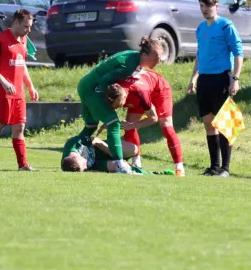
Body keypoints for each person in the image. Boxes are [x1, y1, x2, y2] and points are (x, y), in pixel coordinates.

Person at [74, 38, 163, 174]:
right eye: (156, 58)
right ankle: (119, 164)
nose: (158, 62)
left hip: (85, 85)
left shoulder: (134, 57)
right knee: (114, 123)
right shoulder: (129, 66)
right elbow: (104, 81)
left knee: (91, 126)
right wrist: (108, 102)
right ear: (145, 55)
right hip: (92, 90)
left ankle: (74, 153)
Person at [187, 0, 244, 177]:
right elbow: (200, 54)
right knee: (208, 124)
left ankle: (225, 169)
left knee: (224, 124)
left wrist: (235, 78)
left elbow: (238, 52)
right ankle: (214, 167)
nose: (204, 9)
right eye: (201, 6)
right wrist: (193, 78)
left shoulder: (226, 25)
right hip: (204, 80)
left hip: (221, 78)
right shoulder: (201, 27)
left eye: (208, 6)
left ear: (216, 6)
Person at [0, 9, 39, 171]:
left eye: (30, 26)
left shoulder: (24, 40)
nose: (29, 30)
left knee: (19, 127)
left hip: (18, 93)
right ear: (16, 23)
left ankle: (23, 165)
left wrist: (30, 86)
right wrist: (4, 82)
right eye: (26, 26)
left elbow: (22, 65)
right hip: (2, 93)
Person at [116, 69, 185, 176]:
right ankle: (136, 164)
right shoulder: (114, 89)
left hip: (159, 90)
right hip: (138, 90)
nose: (120, 107)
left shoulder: (140, 93)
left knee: (166, 126)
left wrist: (132, 125)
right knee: (128, 125)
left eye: (120, 104)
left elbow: (153, 118)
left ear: (124, 97)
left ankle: (179, 167)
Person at [61, 134, 140, 173]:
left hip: (101, 149)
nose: (86, 166)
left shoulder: (74, 144)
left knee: (133, 149)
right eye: (84, 169)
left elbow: (94, 139)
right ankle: (133, 167)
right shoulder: (70, 167)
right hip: (97, 164)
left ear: (75, 157)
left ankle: (135, 159)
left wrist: (114, 154)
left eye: (84, 165)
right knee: (120, 166)